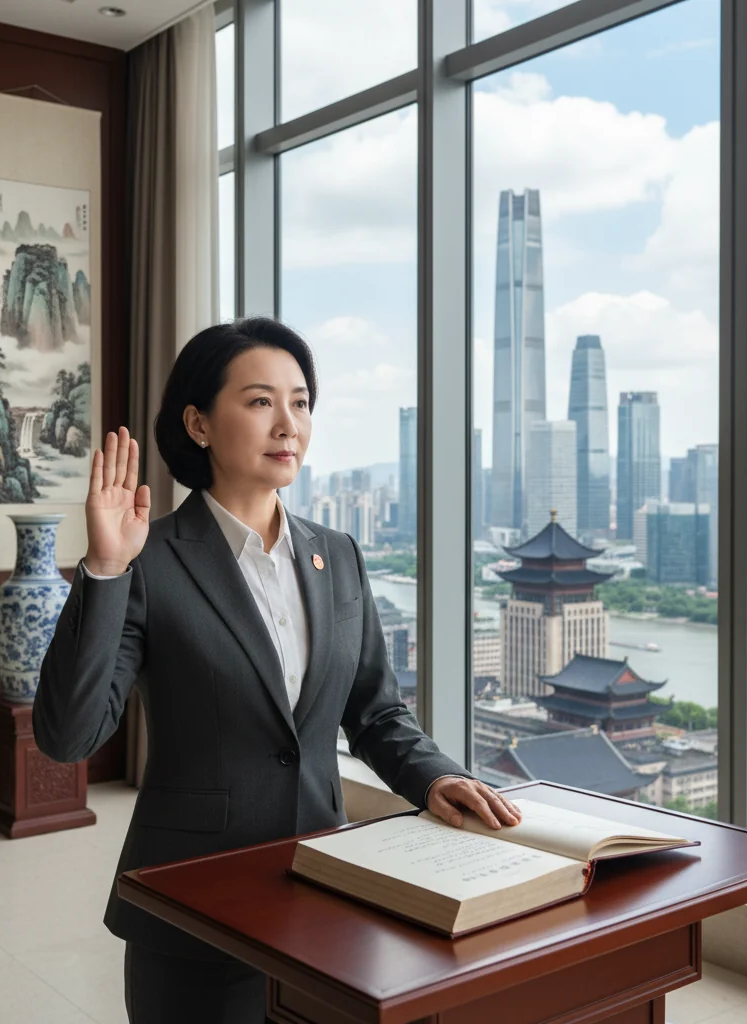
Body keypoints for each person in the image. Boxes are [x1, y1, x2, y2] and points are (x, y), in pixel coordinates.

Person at [32, 317, 522, 1023]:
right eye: (261, 401)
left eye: (300, 402)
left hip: (326, 894)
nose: (288, 423)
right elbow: (68, 737)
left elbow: (376, 713)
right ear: (199, 424)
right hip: (196, 904)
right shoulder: (150, 561)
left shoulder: (340, 555)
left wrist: (438, 777)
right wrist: (106, 569)